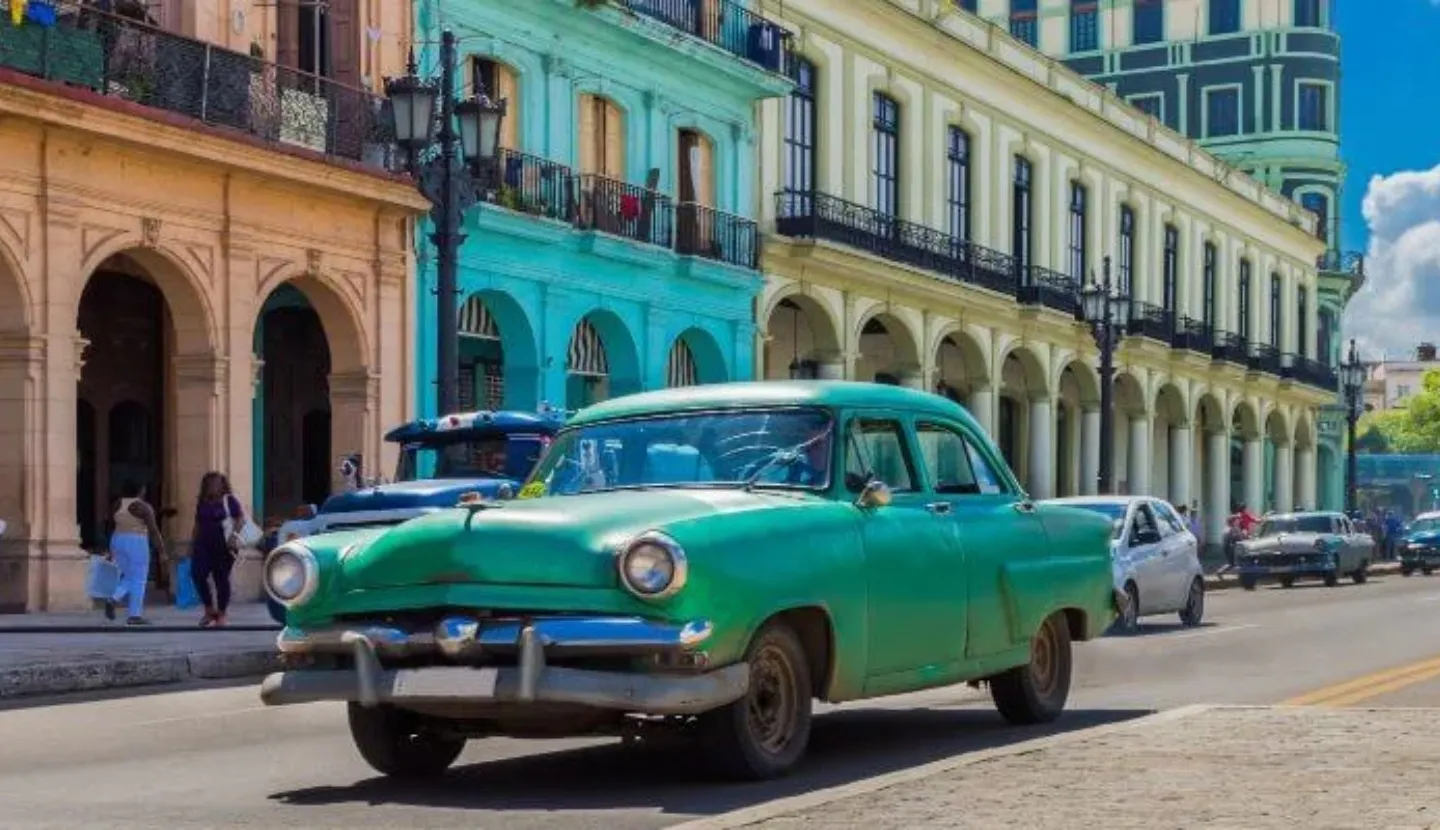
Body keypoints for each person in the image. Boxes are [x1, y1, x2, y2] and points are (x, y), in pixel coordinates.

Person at [104, 481, 164, 625]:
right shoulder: (143, 506)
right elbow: (154, 530)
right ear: (141, 491)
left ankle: (113, 598)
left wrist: (108, 548)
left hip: (117, 539)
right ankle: (134, 614)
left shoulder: (117, 505)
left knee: (129, 576)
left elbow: (109, 525)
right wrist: (162, 550)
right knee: (139, 578)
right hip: (136, 540)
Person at [190, 471, 245, 628]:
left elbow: (240, 519)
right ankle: (209, 609)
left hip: (224, 545)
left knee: (221, 579)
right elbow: (197, 523)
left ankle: (221, 613)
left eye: (216, 483)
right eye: (210, 484)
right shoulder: (202, 502)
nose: (213, 486)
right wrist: (191, 543)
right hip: (203, 544)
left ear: (222, 486)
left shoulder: (229, 501)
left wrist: (234, 537)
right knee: (197, 573)